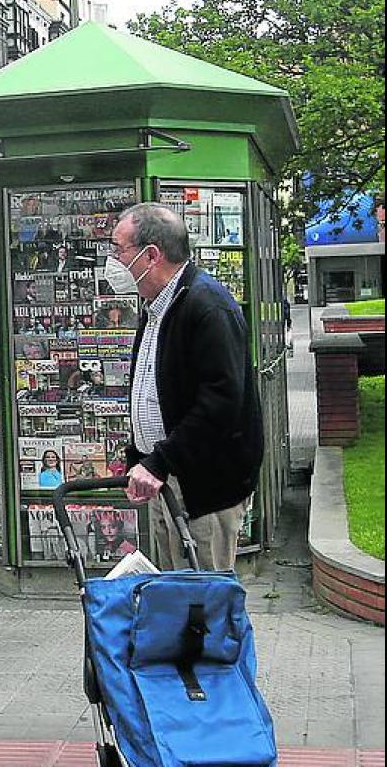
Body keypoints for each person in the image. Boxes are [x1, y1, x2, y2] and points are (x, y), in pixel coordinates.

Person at [106, 203, 263, 571]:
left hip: (202, 486)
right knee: (177, 596)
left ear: (150, 255)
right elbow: (156, 385)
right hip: (167, 477)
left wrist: (160, 460)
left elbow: (221, 402)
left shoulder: (207, 306)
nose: (113, 261)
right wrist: (141, 455)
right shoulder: (158, 305)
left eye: (119, 249)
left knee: (203, 599)